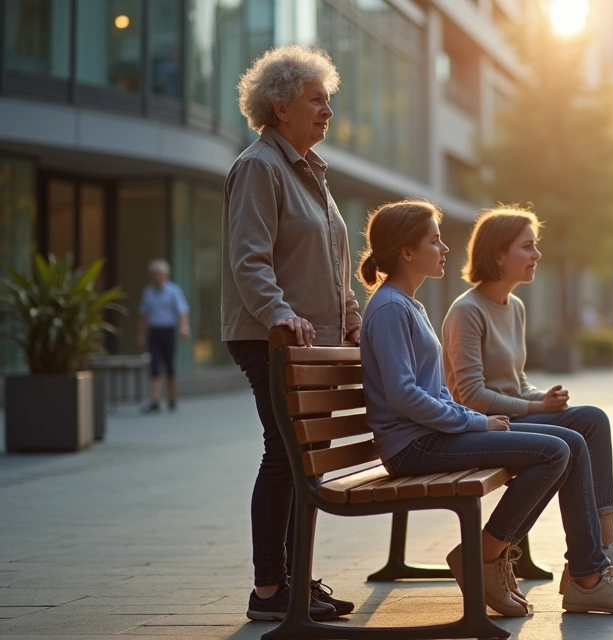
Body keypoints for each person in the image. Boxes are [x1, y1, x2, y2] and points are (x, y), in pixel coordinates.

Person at [360, 200, 613, 617]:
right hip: (415, 447)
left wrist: (477, 420)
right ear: (407, 252)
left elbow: (434, 392)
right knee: (557, 449)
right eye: (435, 240)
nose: (445, 247)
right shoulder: (393, 308)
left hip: (430, 437)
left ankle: (583, 572)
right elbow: (405, 396)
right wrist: (477, 421)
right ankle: (494, 558)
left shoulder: (409, 305)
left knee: (570, 440)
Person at [441, 207, 613, 593]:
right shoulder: (467, 311)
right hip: (484, 429)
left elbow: (515, 382)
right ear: (498, 255)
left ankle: (607, 548)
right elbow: (470, 396)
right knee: (576, 437)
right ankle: (589, 565)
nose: (536, 255)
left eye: (536, 246)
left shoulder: (516, 307)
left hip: (514, 421)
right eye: (527, 247)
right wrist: (537, 407)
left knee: (593, 418)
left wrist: (542, 397)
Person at [221, 45, 360, 622]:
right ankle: (272, 591)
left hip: (315, 339)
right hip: (269, 336)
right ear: (280, 107)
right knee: (284, 453)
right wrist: (278, 312)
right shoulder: (260, 166)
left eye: (328, 100)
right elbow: (248, 259)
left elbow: (332, 260)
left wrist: (351, 311)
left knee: (307, 458)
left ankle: (294, 579)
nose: (327, 110)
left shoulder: (310, 171)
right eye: (315, 100)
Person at [137, 259, 190, 413]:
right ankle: (155, 400)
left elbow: (182, 311)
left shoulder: (174, 291)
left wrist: (184, 327)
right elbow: (144, 315)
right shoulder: (148, 292)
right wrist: (141, 334)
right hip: (154, 332)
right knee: (154, 365)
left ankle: (172, 398)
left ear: (165, 275)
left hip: (169, 331)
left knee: (169, 365)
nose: (157, 277)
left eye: (159, 274)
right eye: (154, 274)